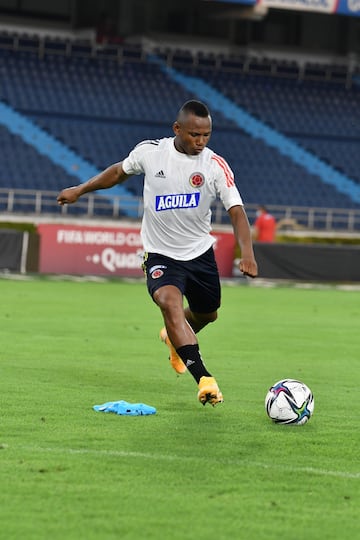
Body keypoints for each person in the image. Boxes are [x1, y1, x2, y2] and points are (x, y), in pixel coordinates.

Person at [57, 100, 258, 407]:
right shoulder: (151, 152)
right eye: (194, 135)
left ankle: (175, 340)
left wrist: (248, 252)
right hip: (160, 253)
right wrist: (80, 189)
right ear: (177, 129)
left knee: (208, 313)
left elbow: (236, 210)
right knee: (168, 302)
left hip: (199, 254)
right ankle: (204, 379)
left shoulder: (214, 165)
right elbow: (117, 173)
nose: (201, 141)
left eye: (206, 135)